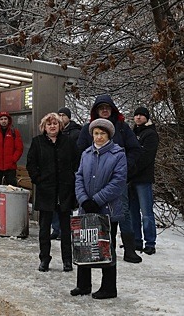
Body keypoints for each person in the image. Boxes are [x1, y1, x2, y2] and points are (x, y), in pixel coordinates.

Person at [77, 94, 143, 264]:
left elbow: (135, 149)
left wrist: (123, 168)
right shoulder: (87, 129)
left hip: (116, 182)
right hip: (93, 181)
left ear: (112, 109)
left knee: (123, 213)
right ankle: (94, 252)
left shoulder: (122, 127)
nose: (104, 110)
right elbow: (81, 152)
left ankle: (129, 249)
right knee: (93, 217)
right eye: (101, 107)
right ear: (96, 110)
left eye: (107, 107)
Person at [71, 118, 126, 299]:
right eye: (96, 133)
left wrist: (97, 199)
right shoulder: (86, 153)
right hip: (87, 208)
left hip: (107, 209)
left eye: (102, 133)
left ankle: (109, 287)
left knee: (105, 247)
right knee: (84, 244)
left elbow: (118, 182)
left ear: (109, 135)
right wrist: (84, 199)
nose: (99, 137)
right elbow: (79, 177)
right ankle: (83, 285)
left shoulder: (118, 154)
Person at [26, 113, 80, 272]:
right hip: (46, 190)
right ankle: (44, 259)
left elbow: (77, 162)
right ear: (44, 127)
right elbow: (31, 163)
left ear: (60, 125)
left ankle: (67, 260)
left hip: (64, 190)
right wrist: (38, 179)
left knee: (65, 229)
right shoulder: (38, 142)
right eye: (49, 124)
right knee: (44, 229)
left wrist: (72, 178)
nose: (52, 126)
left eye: (55, 123)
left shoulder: (69, 142)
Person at [129, 107, 159, 255]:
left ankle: (150, 242)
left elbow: (146, 157)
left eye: (141, 115)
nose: (138, 117)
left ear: (146, 117)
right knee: (133, 211)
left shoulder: (151, 134)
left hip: (143, 179)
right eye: (136, 115)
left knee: (146, 212)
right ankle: (136, 241)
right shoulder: (133, 133)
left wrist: (131, 169)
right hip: (131, 179)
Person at [50, 107, 83, 240]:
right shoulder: (55, 132)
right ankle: (56, 228)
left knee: (65, 204)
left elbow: (77, 153)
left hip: (67, 173)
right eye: (59, 115)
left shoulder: (76, 133)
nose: (61, 117)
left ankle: (65, 229)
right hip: (54, 173)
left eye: (63, 115)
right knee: (53, 202)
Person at [0, 111, 24, 186]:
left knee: (11, 189)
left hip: (10, 167)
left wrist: (13, 159)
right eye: (1, 119)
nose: (3, 121)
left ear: (8, 120)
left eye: (5, 119)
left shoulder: (14, 132)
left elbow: (19, 148)